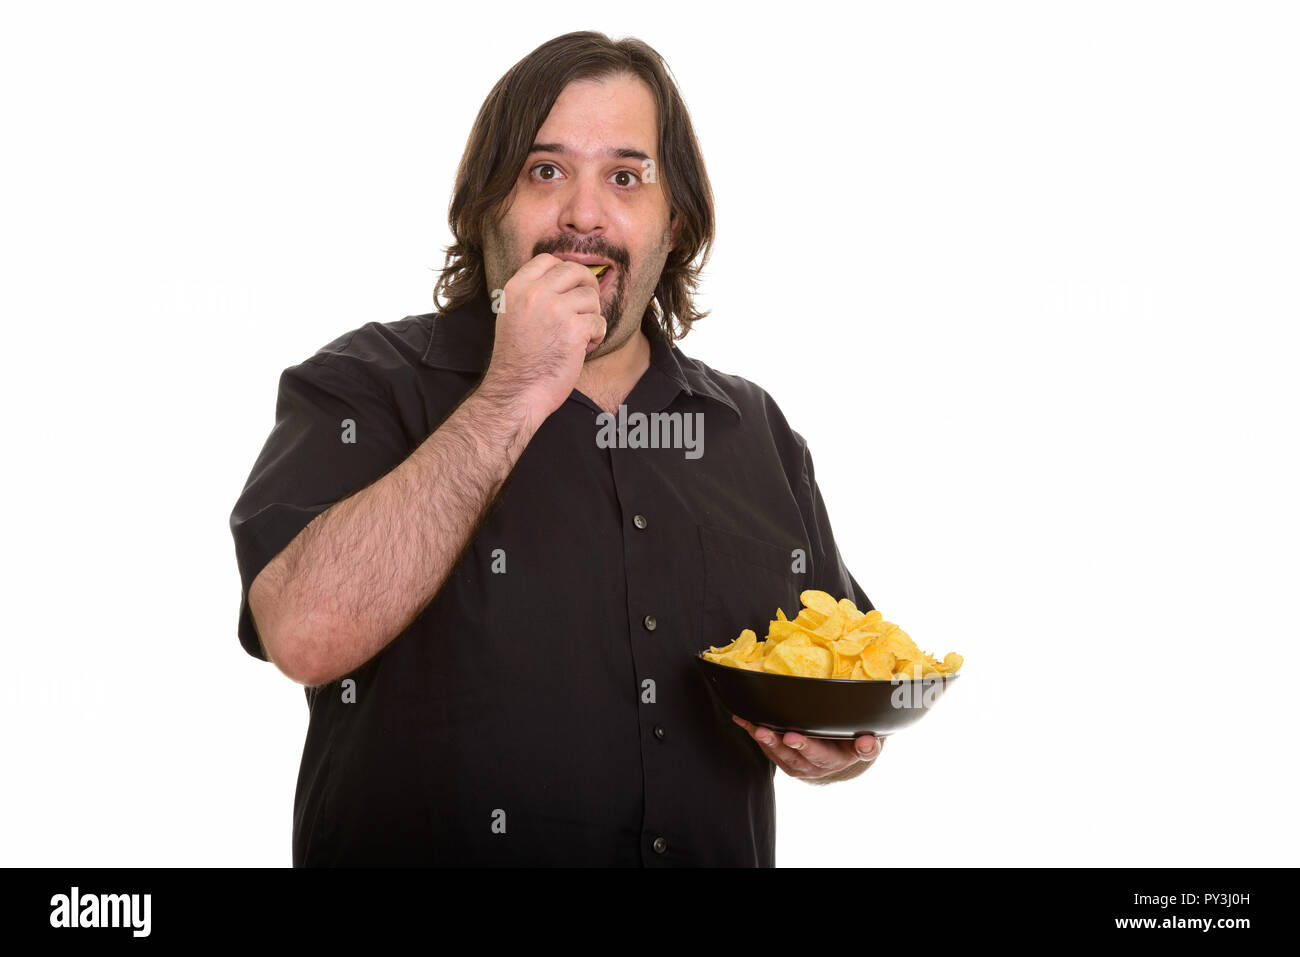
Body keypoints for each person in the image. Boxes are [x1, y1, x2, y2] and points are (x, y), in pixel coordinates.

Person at [229, 30, 882, 867]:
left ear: (674, 221)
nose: (583, 213)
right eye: (545, 172)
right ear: (483, 206)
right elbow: (304, 633)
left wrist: (836, 747)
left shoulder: (754, 431)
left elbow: (842, 678)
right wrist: (512, 392)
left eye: (625, 177)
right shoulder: (365, 386)